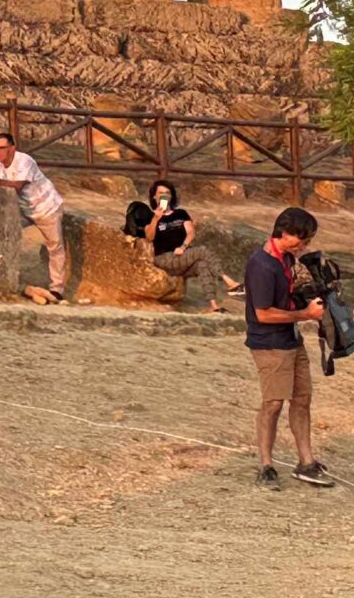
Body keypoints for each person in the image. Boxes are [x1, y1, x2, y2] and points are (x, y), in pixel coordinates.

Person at [245, 206, 336, 490]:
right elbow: (262, 313)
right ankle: (266, 465)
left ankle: (306, 462)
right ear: (284, 232)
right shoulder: (262, 265)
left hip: (291, 340)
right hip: (270, 344)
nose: (304, 245)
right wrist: (305, 315)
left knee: (301, 400)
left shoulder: (284, 259)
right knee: (272, 403)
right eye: (302, 239)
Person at [0, 132, 68, 303]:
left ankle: (57, 289)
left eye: (2, 148)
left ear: (12, 148)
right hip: (24, 209)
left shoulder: (24, 161)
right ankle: (1, 277)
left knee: (55, 247)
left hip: (46, 207)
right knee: (3, 231)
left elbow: (16, 186)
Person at [124, 178, 233, 312]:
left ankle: (213, 305)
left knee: (202, 265)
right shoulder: (150, 216)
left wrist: (183, 247)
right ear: (154, 196)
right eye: (160, 193)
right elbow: (149, 237)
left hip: (181, 256)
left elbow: (191, 232)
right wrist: (156, 219)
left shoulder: (181, 213)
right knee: (202, 250)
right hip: (164, 259)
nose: (164, 196)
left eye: (167, 193)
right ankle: (228, 281)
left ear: (171, 196)